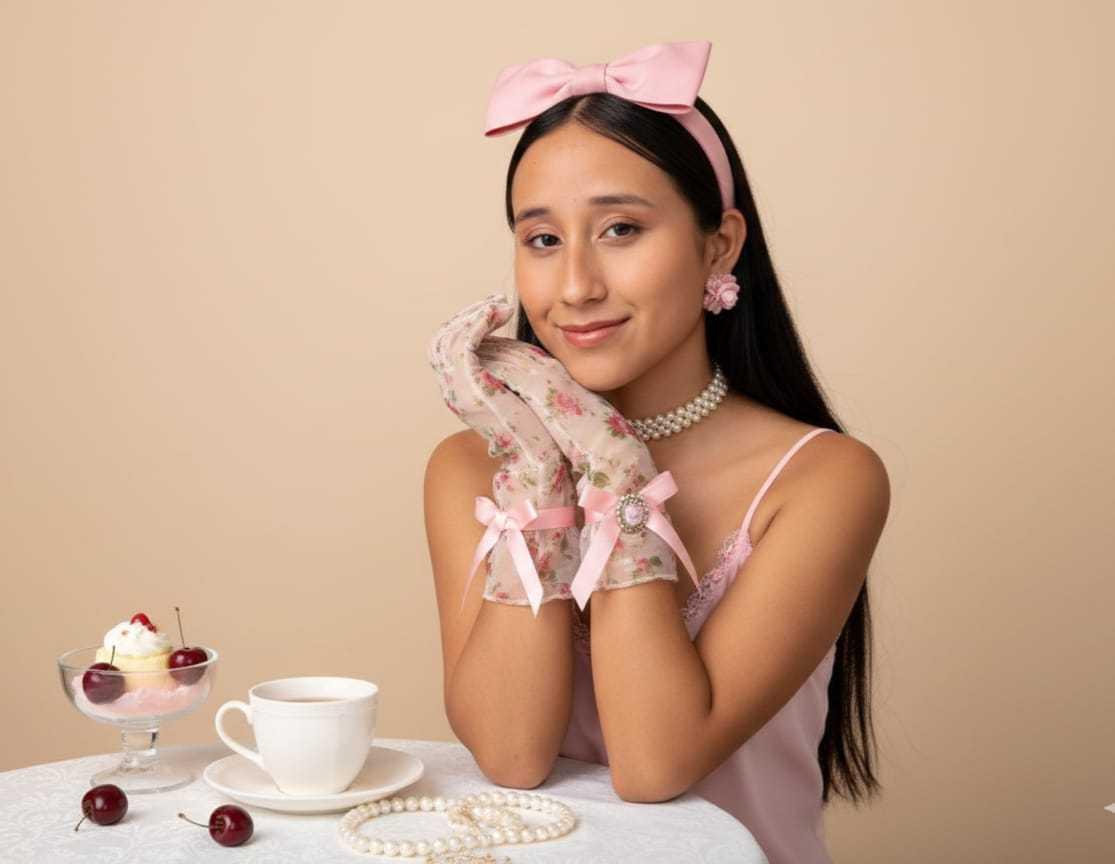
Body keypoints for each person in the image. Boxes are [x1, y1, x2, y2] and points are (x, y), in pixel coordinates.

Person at [424, 41, 890, 864]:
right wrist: (541, 472)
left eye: (621, 229)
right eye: (542, 239)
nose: (575, 286)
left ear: (718, 245)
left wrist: (613, 464)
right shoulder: (473, 469)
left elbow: (653, 762)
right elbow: (510, 752)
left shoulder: (825, 481)